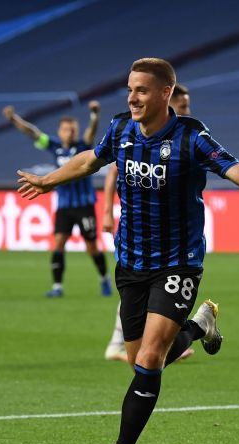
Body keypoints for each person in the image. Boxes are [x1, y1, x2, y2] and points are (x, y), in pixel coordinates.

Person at [17, 58, 239, 444]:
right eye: (130, 89)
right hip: (131, 263)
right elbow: (89, 160)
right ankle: (199, 325)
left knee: (150, 359)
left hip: (178, 262)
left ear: (165, 94)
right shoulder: (120, 130)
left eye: (142, 90)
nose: (132, 97)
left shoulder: (191, 138)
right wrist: (48, 180)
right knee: (142, 363)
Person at [102, 83, 193, 363]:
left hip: (172, 244)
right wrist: (107, 210)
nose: (188, 110)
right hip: (139, 237)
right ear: (170, 102)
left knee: (149, 308)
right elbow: (111, 170)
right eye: (185, 105)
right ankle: (123, 344)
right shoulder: (135, 133)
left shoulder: (187, 137)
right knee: (136, 292)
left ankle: (143, 346)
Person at [4, 102, 111, 298]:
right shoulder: (54, 146)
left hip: (84, 204)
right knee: (59, 242)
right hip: (64, 206)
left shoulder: (82, 146)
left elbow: (90, 133)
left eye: (72, 129)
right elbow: (32, 132)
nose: (69, 133)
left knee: (91, 246)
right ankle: (57, 286)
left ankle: (104, 278)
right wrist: (14, 119)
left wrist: (94, 116)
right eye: (65, 129)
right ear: (59, 131)